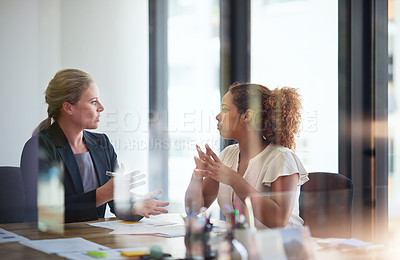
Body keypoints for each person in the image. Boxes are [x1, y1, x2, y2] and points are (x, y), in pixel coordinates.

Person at [35, 69, 169, 223]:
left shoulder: (102, 143)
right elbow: (48, 212)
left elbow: (116, 202)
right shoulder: (40, 147)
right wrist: (103, 194)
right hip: (55, 242)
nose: (101, 107)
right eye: (93, 102)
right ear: (68, 108)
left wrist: (134, 207)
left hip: (95, 239)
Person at [185, 82, 308, 229]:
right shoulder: (228, 155)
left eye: (225, 109)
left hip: (283, 248)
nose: (218, 116)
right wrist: (197, 177)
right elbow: (194, 210)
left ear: (247, 116)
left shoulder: (282, 158)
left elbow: (278, 220)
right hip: (243, 246)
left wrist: (234, 179)